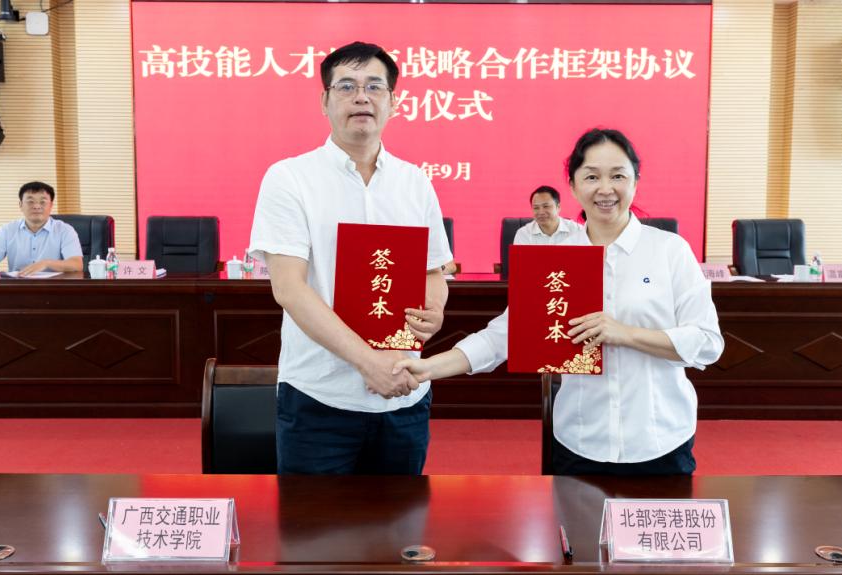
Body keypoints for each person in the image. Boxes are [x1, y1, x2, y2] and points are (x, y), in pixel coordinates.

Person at [395, 128, 724, 475]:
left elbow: (707, 342)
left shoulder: (670, 250)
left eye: (618, 176)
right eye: (592, 176)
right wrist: (428, 368)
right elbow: (502, 336)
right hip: (580, 440)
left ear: (636, 181)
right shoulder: (554, 260)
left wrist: (625, 334)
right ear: (573, 186)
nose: (605, 188)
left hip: (660, 439)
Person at [247, 41, 452, 475]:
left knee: (401, 519)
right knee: (313, 521)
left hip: (405, 394)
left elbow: (433, 271)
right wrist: (367, 362)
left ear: (394, 102)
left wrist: (434, 310)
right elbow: (289, 288)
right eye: (347, 86)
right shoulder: (290, 178)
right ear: (324, 101)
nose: (362, 97)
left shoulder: (415, 182)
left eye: (374, 86)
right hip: (319, 399)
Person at [0, 181, 83, 277]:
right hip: (18, 286)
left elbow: (77, 264)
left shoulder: (65, 230)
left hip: (54, 287)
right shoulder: (7, 230)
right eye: (30, 202)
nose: (36, 206)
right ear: (20, 205)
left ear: (51, 205)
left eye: (42, 202)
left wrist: (46, 263)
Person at [513, 185, 580, 245]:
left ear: (558, 207)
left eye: (546, 206)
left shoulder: (577, 231)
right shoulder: (524, 234)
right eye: (536, 208)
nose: (541, 212)